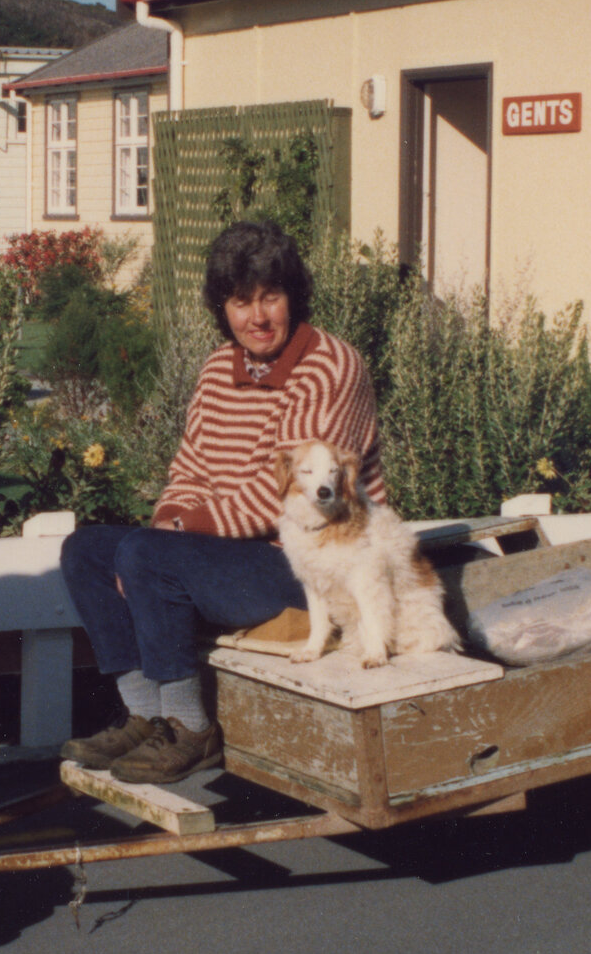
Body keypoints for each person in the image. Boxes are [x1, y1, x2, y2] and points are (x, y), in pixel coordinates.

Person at [58, 220, 384, 784]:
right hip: (232, 558)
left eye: (270, 298)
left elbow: (293, 495)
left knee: (145, 554)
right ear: (223, 308)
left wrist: (165, 543)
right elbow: (189, 470)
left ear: (293, 298)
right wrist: (167, 525)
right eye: (240, 302)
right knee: (88, 549)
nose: (256, 318)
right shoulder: (217, 369)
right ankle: (144, 713)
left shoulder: (331, 366)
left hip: (311, 567)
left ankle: (190, 728)